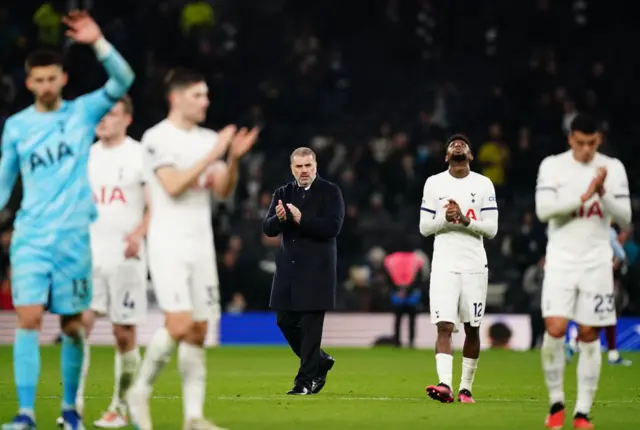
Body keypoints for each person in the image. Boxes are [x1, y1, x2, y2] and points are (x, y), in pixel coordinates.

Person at [0, 10, 134, 430]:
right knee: (28, 320)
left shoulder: (83, 113)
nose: (44, 86)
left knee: (74, 327)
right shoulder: (16, 127)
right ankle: (25, 415)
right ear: (28, 83)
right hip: (31, 239)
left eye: (51, 78)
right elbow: (4, 182)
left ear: (62, 79)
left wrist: (98, 43)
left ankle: (70, 411)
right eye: (37, 80)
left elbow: (123, 81)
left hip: (75, 239)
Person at [125, 67, 258, 430]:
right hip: (168, 242)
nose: (206, 102)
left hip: (201, 243)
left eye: (206, 95)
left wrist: (232, 160)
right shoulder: (157, 138)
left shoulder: (207, 138)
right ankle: (138, 391)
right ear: (176, 97)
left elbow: (222, 190)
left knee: (198, 330)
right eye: (198, 95)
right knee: (180, 323)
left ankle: (193, 417)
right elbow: (172, 185)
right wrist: (215, 151)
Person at [55, 95, 150, 428]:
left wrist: (139, 232)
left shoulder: (140, 154)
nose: (103, 119)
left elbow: (154, 204)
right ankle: (73, 407)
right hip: (87, 255)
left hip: (126, 258)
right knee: (77, 327)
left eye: (111, 114)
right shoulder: (85, 154)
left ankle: (120, 407)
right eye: (101, 114)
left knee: (124, 334)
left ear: (127, 119)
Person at [535, 113, 632, 429]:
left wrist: (602, 192)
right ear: (570, 139)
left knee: (590, 333)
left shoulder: (613, 168)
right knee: (555, 328)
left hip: (596, 262)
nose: (586, 150)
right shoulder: (553, 165)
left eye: (592, 143)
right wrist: (585, 195)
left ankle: (582, 413)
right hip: (561, 260)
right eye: (580, 143)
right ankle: (556, 404)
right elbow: (544, 211)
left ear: (599, 140)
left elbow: (626, 217)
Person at [419, 133, 498, 404]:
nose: (458, 145)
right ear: (446, 156)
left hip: (475, 264)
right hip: (444, 264)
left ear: (471, 156)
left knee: (472, 328)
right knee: (444, 325)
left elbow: (492, 228)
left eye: (463, 144)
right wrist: (446, 217)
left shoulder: (484, 183)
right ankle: (445, 386)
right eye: (453, 144)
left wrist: (465, 220)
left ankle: (466, 388)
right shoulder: (434, 183)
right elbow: (424, 227)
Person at [263, 147, 345, 395]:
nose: (304, 170)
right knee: (284, 320)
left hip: (317, 272)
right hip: (288, 271)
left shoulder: (330, 192)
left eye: (308, 165)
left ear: (316, 166)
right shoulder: (282, 192)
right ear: (292, 169)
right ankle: (319, 361)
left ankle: (305, 381)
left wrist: (301, 219)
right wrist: (278, 219)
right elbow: (268, 228)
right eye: (299, 166)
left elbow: (333, 227)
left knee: (310, 327)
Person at [565, 225, 632, 366]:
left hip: (586, 278)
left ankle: (574, 344)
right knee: (606, 316)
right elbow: (620, 254)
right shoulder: (608, 232)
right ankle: (576, 344)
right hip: (601, 280)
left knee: (597, 316)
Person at [384, 244, 426, 348]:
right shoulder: (416, 260)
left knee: (398, 320)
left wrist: (397, 290)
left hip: (397, 294)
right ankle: (411, 342)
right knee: (411, 320)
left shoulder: (391, 259)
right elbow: (420, 278)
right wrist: (409, 290)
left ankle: (397, 342)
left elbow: (387, 277)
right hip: (411, 295)